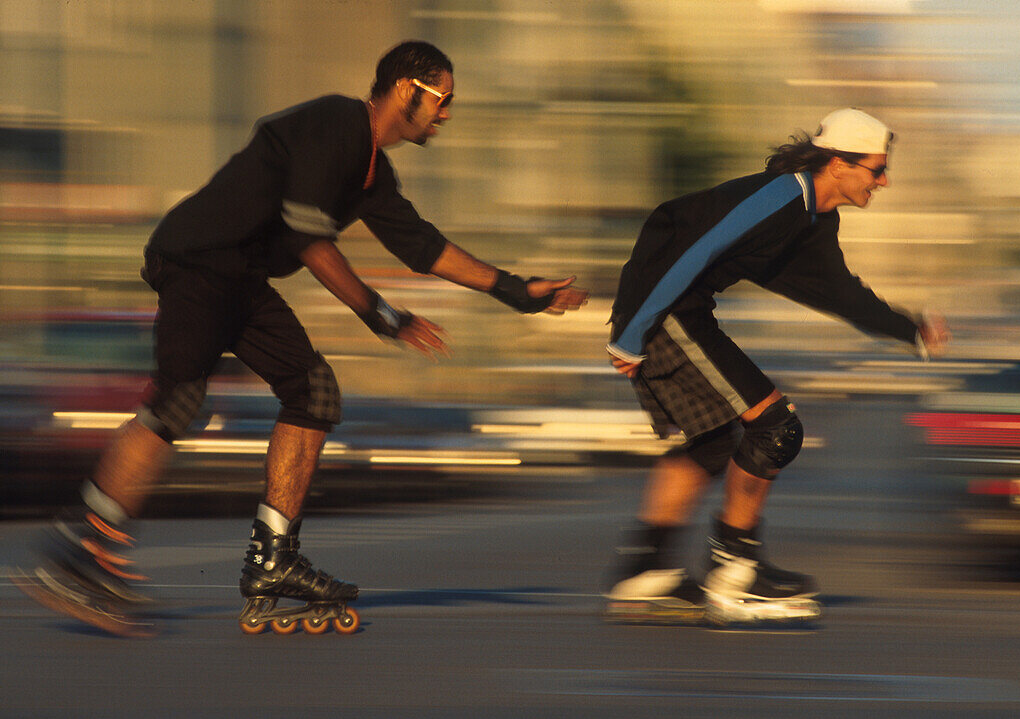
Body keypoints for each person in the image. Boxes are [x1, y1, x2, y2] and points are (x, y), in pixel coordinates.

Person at [17, 40, 587, 637]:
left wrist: (518, 292)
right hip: (197, 260)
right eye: (442, 99)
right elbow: (309, 239)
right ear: (404, 90)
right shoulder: (336, 124)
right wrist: (378, 312)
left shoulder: (372, 173)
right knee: (179, 401)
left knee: (314, 393)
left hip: (241, 278)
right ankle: (85, 545)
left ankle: (273, 559)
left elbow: (423, 247)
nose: (447, 114)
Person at [602, 108, 949, 625]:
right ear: (837, 164)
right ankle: (736, 572)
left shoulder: (812, 218)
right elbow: (693, 250)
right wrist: (632, 335)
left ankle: (645, 573)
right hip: (665, 307)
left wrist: (910, 330)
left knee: (715, 442)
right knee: (776, 428)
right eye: (876, 169)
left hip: (676, 309)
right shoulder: (780, 195)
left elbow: (838, 293)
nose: (884, 181)